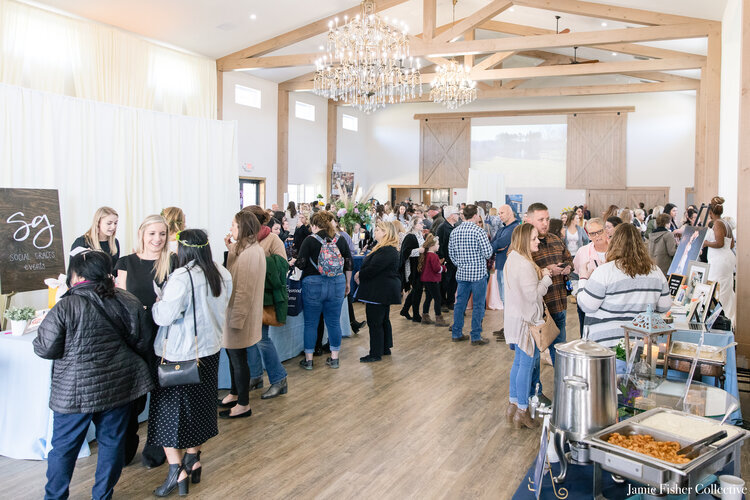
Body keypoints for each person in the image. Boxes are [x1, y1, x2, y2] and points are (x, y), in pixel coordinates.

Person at [34, 250, 154, 500]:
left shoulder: (66, 304)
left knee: (63, 449)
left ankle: (54, 497)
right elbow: (142, 342)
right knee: (111, 444)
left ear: (76, 275)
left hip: (74, 391)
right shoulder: (127, 299)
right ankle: (102, 496)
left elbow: (44, 348)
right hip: (119, 385)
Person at [149, 229, 232, 496]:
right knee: (200, 407)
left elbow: (164, 317)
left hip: (180, 355)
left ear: (184, 250)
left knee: (168, 414)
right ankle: (192, 458)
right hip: (210, 350)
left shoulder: (182, 277)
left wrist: (157, 301)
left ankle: (177, 471)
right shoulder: (222, 272)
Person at [114, 215, 176, 468]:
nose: (157, 239)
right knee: (131, 399)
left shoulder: (173, 262)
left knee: (162, 395)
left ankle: (156, 447)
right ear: (142, 234)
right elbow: (118, 299)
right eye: (152, 234)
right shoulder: (125, 262)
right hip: (133, 338)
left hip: (164, 338)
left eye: (162, 234)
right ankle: (126, 446)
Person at [578, 224, 671, 346]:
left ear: (614, 243)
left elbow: (587, 306)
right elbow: (665, 306)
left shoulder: (604, 271)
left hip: (606, 346)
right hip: (641, 343)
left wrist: (583, 278)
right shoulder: (656, 272)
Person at [234, 205, 290, 400]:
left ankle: (279, 379)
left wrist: (258, 258)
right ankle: (256, 376)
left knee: (261, 340)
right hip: (248, 297)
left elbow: (283, 266)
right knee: (250, 340)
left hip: (265, 298)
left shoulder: (272, 239)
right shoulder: (243, 241)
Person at [503, 224, 552, 429]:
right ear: (524, 240)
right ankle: (522, 410)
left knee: (518, 364)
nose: (537, 241)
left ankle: (513, 405)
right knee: (526, 365)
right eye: (533, 238)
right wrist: (547, 278)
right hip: (526, 321)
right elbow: (533, 295)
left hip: (514, 318)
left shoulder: (512, 258)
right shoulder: (524, 264)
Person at [220, 211, 266, 418]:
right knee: (233, 355)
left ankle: (244, 404)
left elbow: (243, 291)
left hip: (240, 315)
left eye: (233, 225)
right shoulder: (247, 249)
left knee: (238, 358)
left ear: (243, 228)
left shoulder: (250, 254)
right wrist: (230, 246)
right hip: (238, 313)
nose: (231, 228)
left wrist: (236, 319)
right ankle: (235, 393)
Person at [294, 211, 353, 370]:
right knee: (334, 322)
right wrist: (347, 283)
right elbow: (348, 262)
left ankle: (309, 360)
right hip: (337, 282)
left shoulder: (309, 241)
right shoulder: (340, 240)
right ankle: (334, 358)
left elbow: (301, 264)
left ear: (314, 225)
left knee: (311, 323)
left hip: (313, 284)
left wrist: (294, 261)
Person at [527, 202, 572, 366]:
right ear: (530, 220)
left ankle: (561, 388)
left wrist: (567, 267)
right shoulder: (525, 245)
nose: (545, 223)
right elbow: (524, 274)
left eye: (547, 219)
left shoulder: (555, 240)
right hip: (539, 310)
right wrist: (547, 270)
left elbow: (568, 258)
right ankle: (535, 390)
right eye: (541, 220)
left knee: (561, 350)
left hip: (559, 303)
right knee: (533, 357)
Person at [355, 221, 401, 362]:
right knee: (382, 320)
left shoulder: (386, 250)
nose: (375, 232)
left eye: (378, 230)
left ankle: (375, 353)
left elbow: (374, 269)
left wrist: (359, 274)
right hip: (381, 289)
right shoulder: (386, 248)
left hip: (379, 290)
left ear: (385, 233)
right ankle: (384, 348)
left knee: (375, 322)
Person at [448, 204, 494, 345]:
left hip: (462, 273)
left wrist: (461, 264)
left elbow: (452, 255)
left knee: (459, 304)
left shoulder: (455, 231)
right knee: (478, 305)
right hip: (478, 274)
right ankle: (475, 336)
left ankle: (456, 333)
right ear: (475, 215)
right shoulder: (479, 231)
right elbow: (488, 253)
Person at [572, 218, 609, 336]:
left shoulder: (617, 249)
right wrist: (577, 293)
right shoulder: (583, 251)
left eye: (600, 231)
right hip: (588, 300)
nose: (597, 236)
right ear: (588, 235)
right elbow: (574, 275)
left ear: (606, 231)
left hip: (611, 301)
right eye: (593, 233)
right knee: (586, 335)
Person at [703, 196, 736, 324]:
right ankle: (729, 314)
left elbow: (720, 243)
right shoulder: (726, 223)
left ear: (711, 213)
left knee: (717, 287)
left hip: (719, 261)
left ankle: (721, 315)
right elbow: (731, 244)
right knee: (726, 286)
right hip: (727, 258)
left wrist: (706, 243)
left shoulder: (717, 223)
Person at [490, 204, 519, 340]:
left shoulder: (514, 228)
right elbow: (493, 244)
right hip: (500, 267)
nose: (500, 215)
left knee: (508, 300)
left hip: (508, 268)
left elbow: (500, 244)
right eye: (499, 213)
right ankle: (507, 327)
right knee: (504, 300)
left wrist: (497, 247)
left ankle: (510, 330)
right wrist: (497, 247)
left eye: (502, 213)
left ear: (510, 212)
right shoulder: (503, 229)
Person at [399, 217, 426, 322]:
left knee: (417, 289)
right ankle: (415, 315)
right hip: (411, 267)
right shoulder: (410, 236)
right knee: (417, 289)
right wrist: (418, 250)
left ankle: (405, 310)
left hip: (418, 266)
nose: (422, 224)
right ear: (414, 224)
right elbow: (405, 252)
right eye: (420, 223)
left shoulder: (420, 235)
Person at [418, 234, 447, 326]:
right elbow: (437, 269)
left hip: (426, 279)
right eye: (437, 244)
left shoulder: (425, 254)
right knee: (437, 298)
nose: (439, 246)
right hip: (432, 280)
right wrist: (444, 268)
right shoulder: (433, 256)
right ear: (432, 245)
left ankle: (425, 316)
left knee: (429, 297)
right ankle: (438, 318)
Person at [437, 207, 460, 311]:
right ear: (451, 215)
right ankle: (442, 303)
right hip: (446, 259)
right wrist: (441, 257)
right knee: (444, 282)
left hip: (454, 260)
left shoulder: (455, 226)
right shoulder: (442, 227)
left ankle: (450, 302)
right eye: (457, 213)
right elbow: (439, 244)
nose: (458, 215)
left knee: (453, 282)